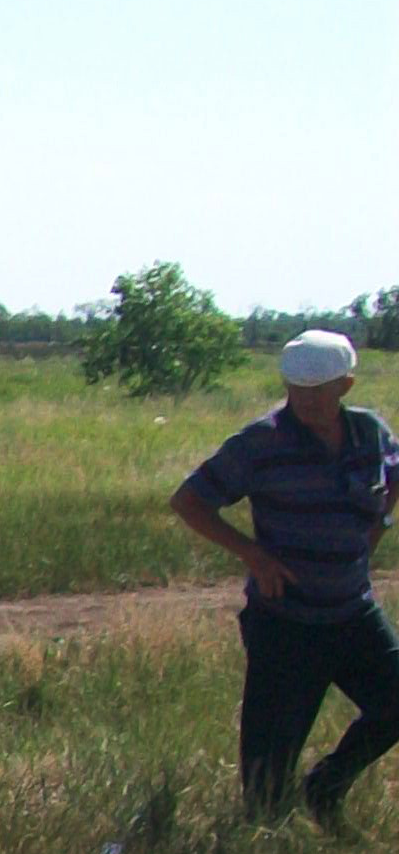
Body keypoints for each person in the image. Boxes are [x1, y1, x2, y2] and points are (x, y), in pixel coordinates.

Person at [170, 330, 399, 828]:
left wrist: (379, 524)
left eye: (318, 389)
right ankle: (261, 843)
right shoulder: (262, 441)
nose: (306, 400)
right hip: (286, 622)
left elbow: (394, 473)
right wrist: (253, 555)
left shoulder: (370, 433)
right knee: (264, 793)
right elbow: (189, 501)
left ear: (346, 385)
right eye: (296, 388)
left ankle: (326, 787)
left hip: (352, 613)